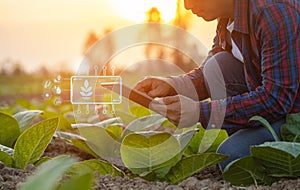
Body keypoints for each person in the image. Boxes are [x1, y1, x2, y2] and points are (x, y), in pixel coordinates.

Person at [134, 0, 300, 171]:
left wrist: (201, 112)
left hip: (293, 113)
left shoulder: (274, 12)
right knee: (216, 65)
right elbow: (208, 71)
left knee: (233, 158)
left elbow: (277, 98)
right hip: (274, 108)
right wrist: (172, 85)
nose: (187, 6)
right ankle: (249, 137)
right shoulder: (228, 16)